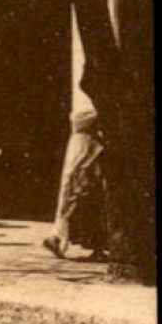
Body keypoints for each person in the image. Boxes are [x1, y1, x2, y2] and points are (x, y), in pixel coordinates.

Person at [44, 108, 108, 260]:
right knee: (93, 216)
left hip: (75, 184)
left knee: (67, 213)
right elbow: (93, 163)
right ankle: (97, 250)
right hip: (87, 185)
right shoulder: (92, 140)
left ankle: (57, 238)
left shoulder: (77, 139)